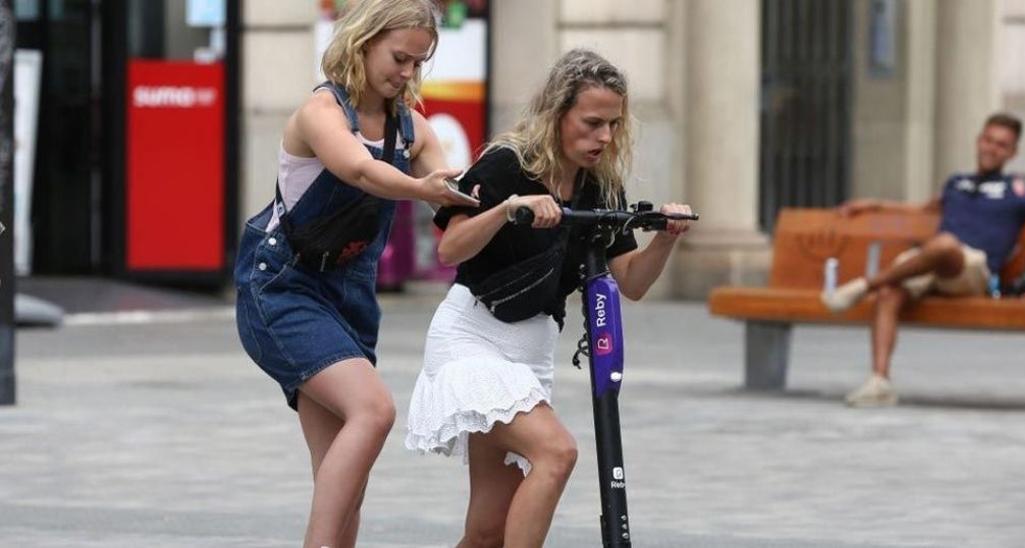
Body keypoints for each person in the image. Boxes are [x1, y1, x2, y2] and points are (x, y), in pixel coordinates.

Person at [403, 49, 692, 548]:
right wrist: (507, 210)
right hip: (472, 338)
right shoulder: (506, 166)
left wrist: (666, 236)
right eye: (592, 122)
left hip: (531, 353)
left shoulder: (600, 186)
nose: (604, 137)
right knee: (557, 453)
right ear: (559, 114)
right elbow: (450, 248)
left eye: (613, 125)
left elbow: (633, 282)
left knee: (487, 532)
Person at [233, 1, 478, 546]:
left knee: (343, 485)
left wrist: (504, 200)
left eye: (418, 63)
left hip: (350, 299)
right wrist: (420, 188)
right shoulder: (320, 112)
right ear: (363, 41)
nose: (407, 73)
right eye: (399, 58)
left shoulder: (411, 127)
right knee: (373, 410)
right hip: (281, 289)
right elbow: (358, 169)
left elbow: (452, 186)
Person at [822, 113, 1025, 407]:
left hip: (973, 268)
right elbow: (922, 210)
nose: (992, 148)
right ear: (978, 141)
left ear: (1012, 153)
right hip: (934, 261)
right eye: (988, 140)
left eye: (1001, 145)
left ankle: (863, 286)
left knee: (946, 245)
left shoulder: (1021, 188)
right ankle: (879, 381)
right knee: (891, 290)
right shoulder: (956, 183)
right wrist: (874, 203)